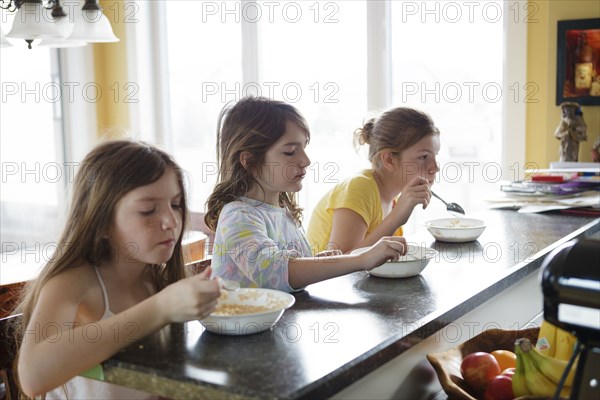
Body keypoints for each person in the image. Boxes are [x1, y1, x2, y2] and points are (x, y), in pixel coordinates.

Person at [13, 140, 221, 398]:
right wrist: (160, 308)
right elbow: (33, 376)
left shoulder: (156, 278)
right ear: (101, 223)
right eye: (148, 210)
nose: (171, 221)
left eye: (176, 204)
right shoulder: (73, 281)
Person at [204, 97, 407, 292]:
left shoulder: (283, 212)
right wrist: (361, 259)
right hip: (243, 326)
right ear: (249, 161)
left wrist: (321, 260)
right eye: (290, 152)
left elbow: (294, 268)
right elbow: (274, 273)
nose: (306, 160)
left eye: (304, 148)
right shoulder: (238, 215)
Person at [306, 107, 440, 254]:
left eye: (435, 155)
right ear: (389, 159)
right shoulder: (359, 188)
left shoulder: (393, 200)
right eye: (423, 157)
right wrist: (396, 218)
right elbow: (339, 263)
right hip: (328, 278)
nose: (435, 167)